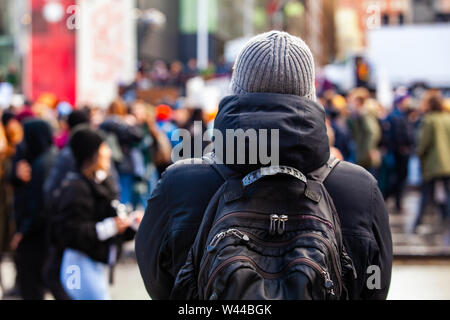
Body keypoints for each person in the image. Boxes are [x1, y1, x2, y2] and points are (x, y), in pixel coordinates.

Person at [136, 31, 392, 300]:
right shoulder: (360, 189)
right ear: (310, 94)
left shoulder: (180, 183)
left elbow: (156, 278)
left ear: (235, 89)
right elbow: (375, 285)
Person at [54, 128, 143, 300]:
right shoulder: (76, 187)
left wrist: (129, 223)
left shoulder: (103, 181)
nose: (109, 152)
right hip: (79, 264)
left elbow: (109, 218)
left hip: (97, 262)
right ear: (92, 153)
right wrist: (109, 227)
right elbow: (68, 232)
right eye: (104, 147)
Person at [10, 119, 57, 300]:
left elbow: (38, 206)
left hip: (36, 234)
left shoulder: (43, 164)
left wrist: (22, 232)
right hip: (42, 232)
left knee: (32, 284)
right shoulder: (45, 157)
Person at [413, 94, 450, 233]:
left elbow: (423, 143)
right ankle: (446, 219)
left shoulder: (429, 120)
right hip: (447, 163)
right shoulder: (447, 118)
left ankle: (417, 222)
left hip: (433, 164)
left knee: (426, 194)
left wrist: (418, 152)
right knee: (447, 193)